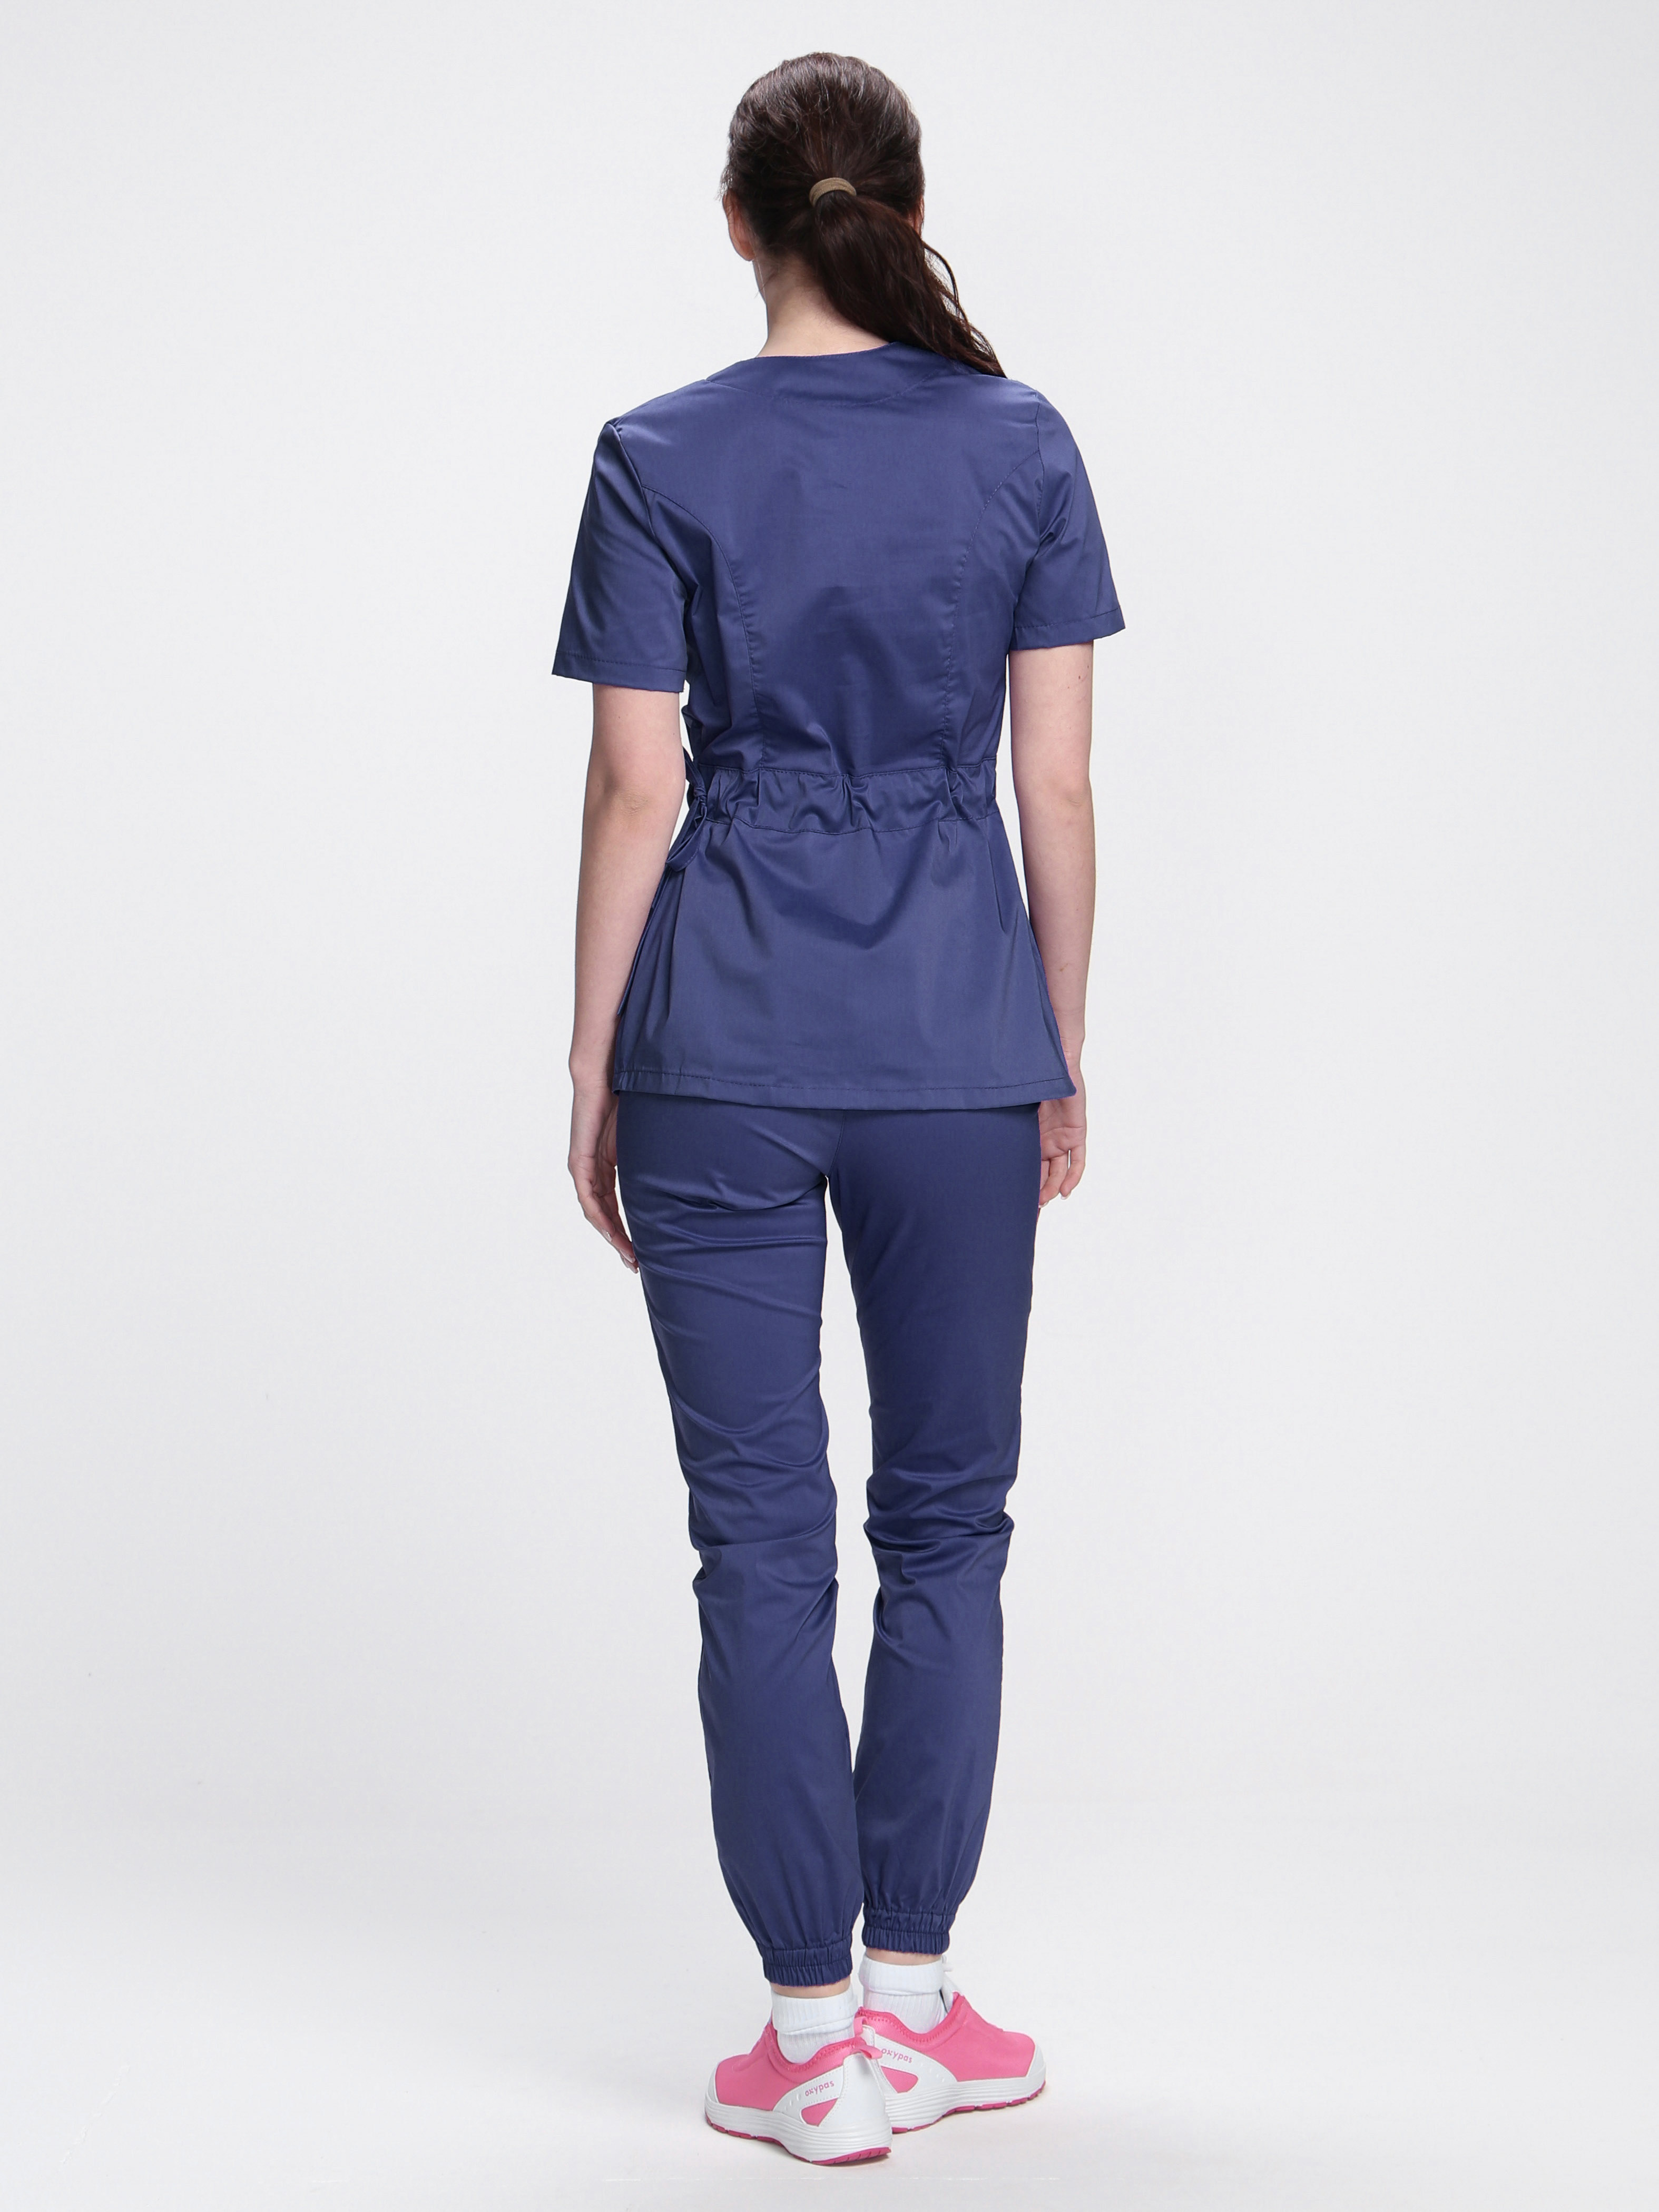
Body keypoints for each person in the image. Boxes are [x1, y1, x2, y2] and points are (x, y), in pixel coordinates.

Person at [554, 51, 1123, 2166]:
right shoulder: (1019, 442)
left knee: (760, 1542)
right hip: (957, 1045)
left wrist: (594, 1060)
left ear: (737, 223)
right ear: (905, 210)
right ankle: (915, 1999)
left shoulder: (656, 451)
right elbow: (1056, 784)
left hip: (715, 1042)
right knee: (946, 1525)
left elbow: (636, 787)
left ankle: (811, 2043)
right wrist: (1052, 1043)